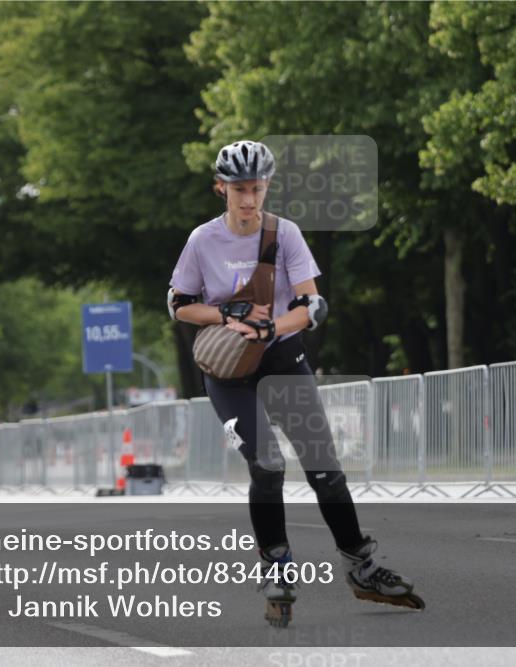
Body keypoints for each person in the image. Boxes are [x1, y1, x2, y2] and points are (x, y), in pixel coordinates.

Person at [168, 140, 423, 627]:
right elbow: (179, 304)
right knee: (266, 464)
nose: (248, 199)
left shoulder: (283, 234)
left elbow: (312, 305)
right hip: (228, 371)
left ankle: (361, 566)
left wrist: (271, 327)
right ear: (219, 188)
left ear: (267, 187)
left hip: (283, 357)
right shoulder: (202, 241)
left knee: (324, 467)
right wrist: (225, 313)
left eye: (256, 188)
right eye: (239, 189)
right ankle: (277, 566)